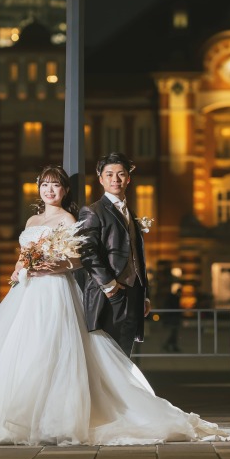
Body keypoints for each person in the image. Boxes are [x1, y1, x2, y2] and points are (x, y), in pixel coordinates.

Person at [0, 165, 228, 446]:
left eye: (55, 185)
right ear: (38, 189)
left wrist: (52, 266)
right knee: (17, 348)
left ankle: (55, 417)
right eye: (45, 185)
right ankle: (10, 415)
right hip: (27, 291)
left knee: (54, 347)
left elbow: (76, 260)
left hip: (56, 290)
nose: (49, 190)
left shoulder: (68, 220)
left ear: (64, 191)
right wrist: (18, 269)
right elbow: (23, 255)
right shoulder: (32, 221)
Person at [78, 152, 151, 358]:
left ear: (128, 178)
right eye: (109, 174)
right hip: (110, 294)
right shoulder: (92, 211)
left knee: (124, 354)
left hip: (134, 294)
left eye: (120, 174)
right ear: (100, 179)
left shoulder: (131, 213)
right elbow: (87, 252)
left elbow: (138, 255)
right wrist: (109, 286)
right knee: (107, 356)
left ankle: (119, 391)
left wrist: (144, 294)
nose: (115, 179)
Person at [162, 285, 183, 353]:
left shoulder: (172, 297)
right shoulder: (175, 298)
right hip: (173, 318)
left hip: (172, 318)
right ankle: (169, 345)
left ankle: (171, 345)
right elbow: (176, 308)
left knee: (174, 333)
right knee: (174, 333)